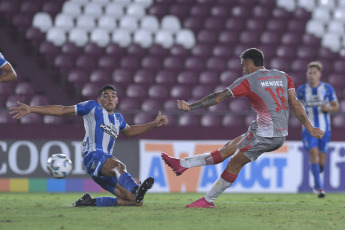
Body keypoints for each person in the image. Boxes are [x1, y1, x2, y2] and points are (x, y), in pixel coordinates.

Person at [161, 48, 324, 208]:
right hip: (263, 129)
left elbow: (218, 97)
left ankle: (208, 200)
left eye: (243, 65)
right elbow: (295, 103)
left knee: (234, 163)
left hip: (267, 135)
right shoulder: (283, 76)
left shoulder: (248, 80)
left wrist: (191, 107)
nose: (243, 69)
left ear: (250, 64)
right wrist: (310, 128)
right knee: (227, 149)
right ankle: (182, 164)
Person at [10, 85, 168, 207]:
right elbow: (63, 110)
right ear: (99, 99)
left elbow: (130, 130)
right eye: (105, 96)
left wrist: (153, 124)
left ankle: (90, 202)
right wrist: (31, 108)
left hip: (102, 167)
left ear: (118, 100)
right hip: (94, 156)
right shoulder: (93, 107)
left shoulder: (118, 119)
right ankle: (135, 188)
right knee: (119, 166)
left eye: (113, 96)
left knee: (135, 202)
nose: (110, 99)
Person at [297, 61, 339, 198]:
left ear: (319, 74)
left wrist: (328, 108)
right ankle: (320, 188)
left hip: (325, 129)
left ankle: (317, 178)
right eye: (310, 73)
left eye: (315, 73)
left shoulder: (327, 88)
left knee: (322, 160)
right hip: (309, 130)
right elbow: (297, 106)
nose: (312, 75)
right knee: (313, 155)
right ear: (306, 74)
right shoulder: (302, 90)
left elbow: (336, 106)